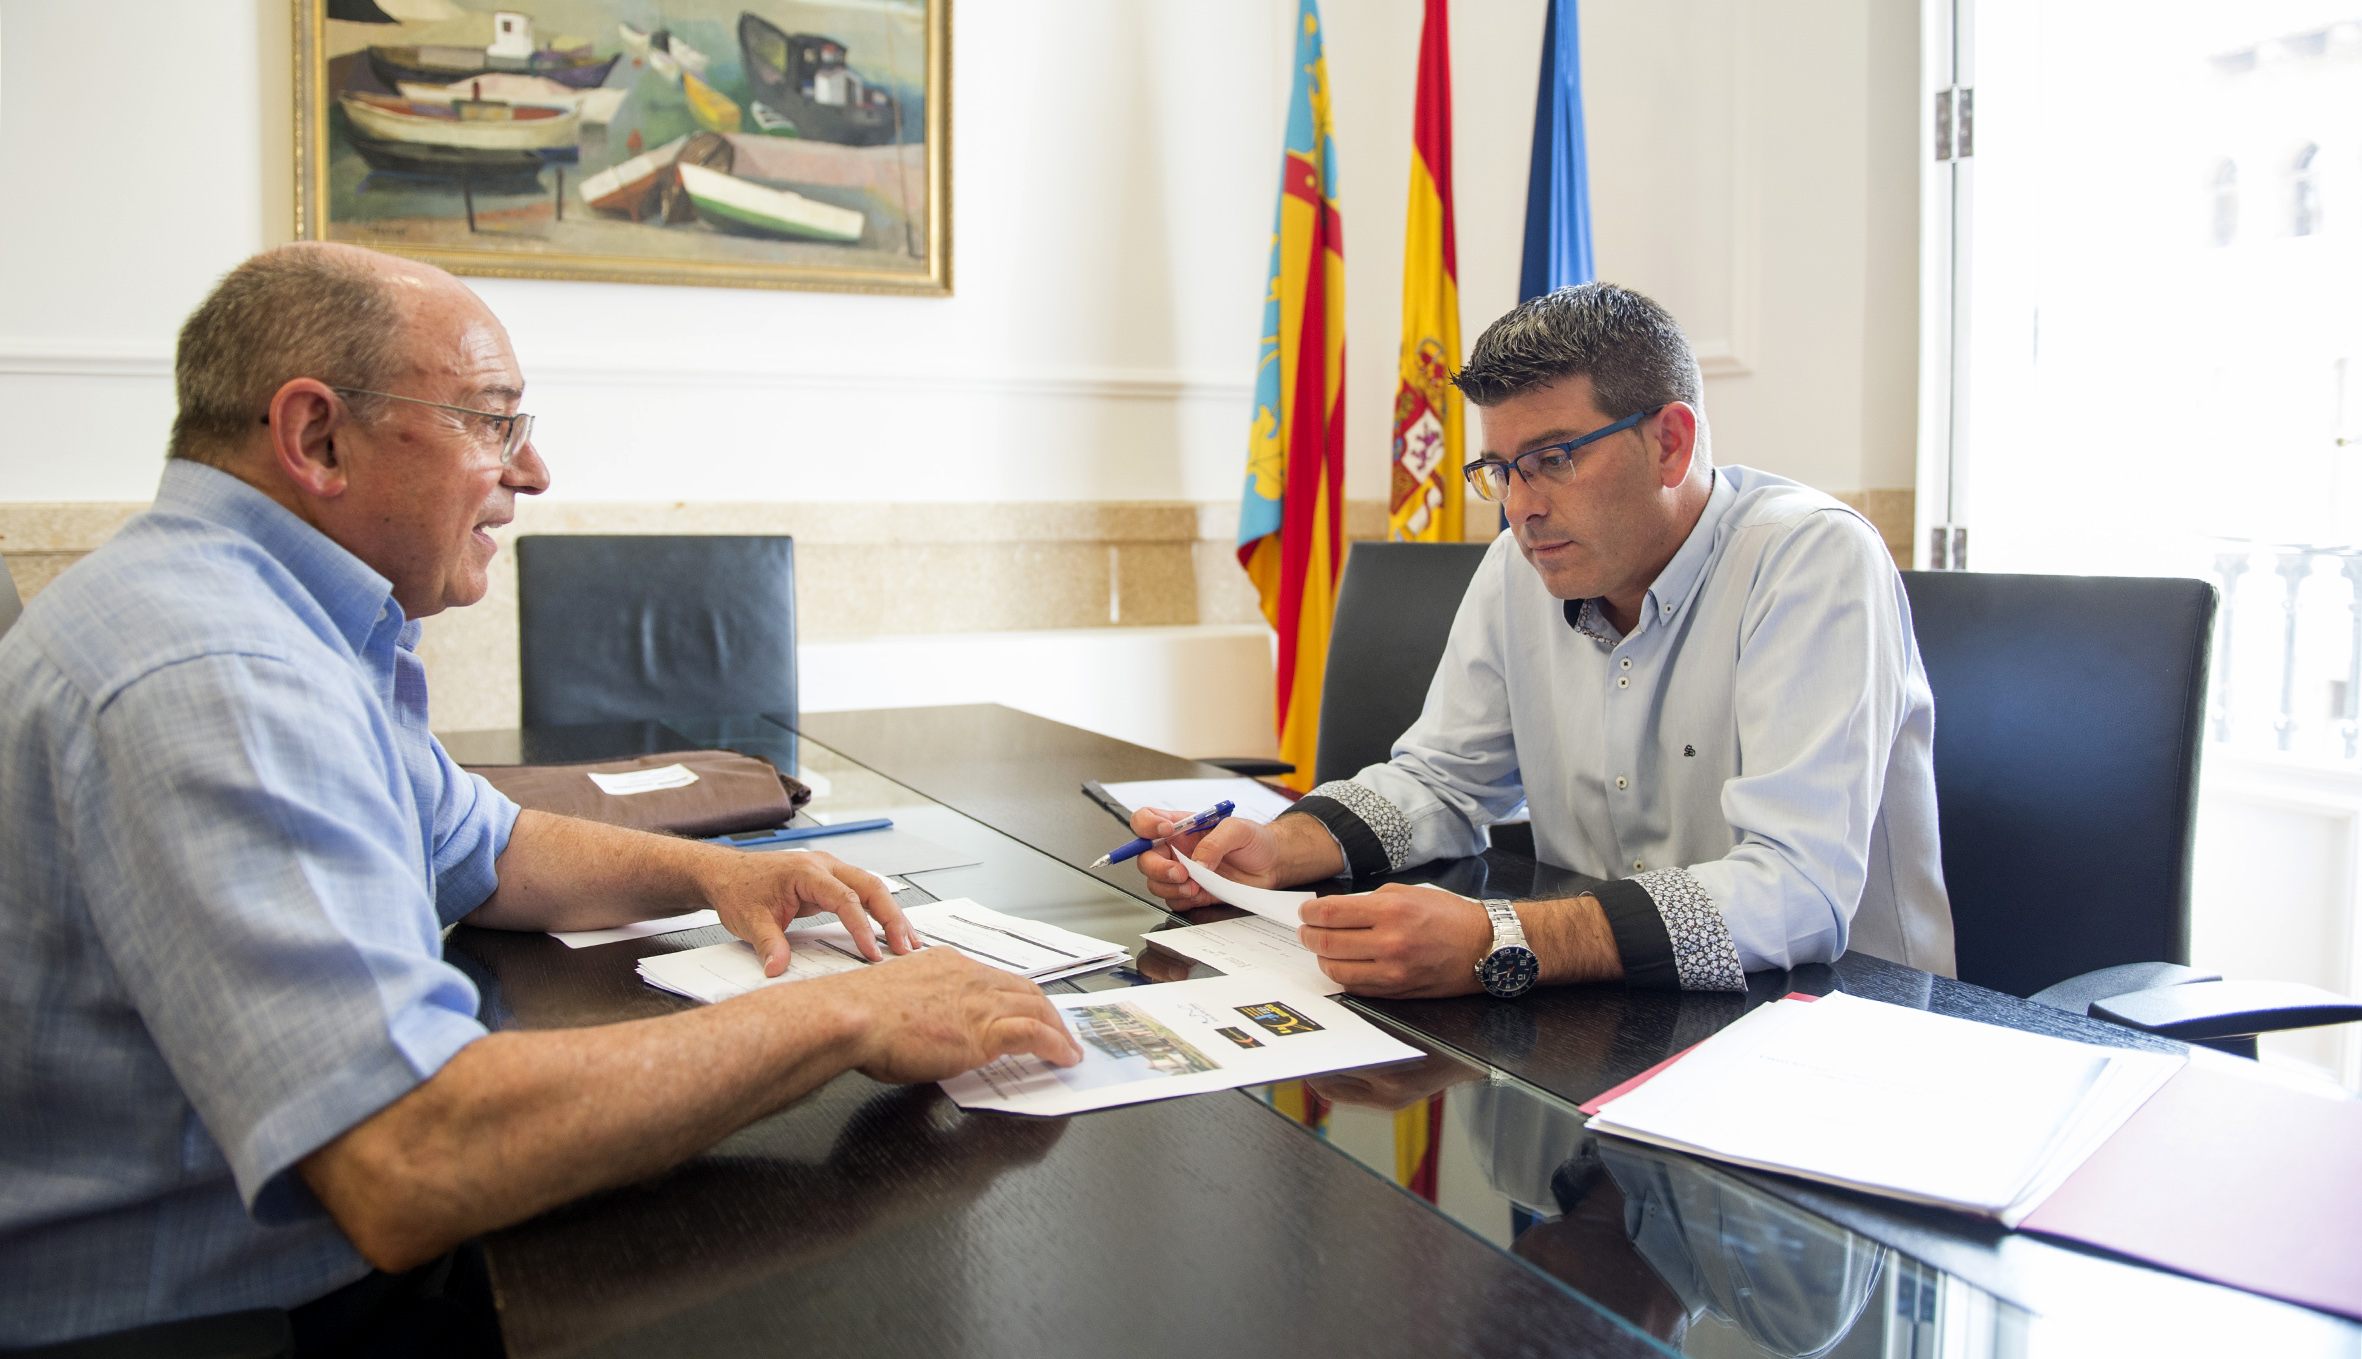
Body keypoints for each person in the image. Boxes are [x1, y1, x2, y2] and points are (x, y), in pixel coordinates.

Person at [0, 243, 1083, 1351]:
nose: (533, 472)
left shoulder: (246, 613)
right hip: (218, 1317)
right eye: (493, 422)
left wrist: (721, 871)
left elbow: (489, 845)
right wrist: (848, 1012)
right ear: (316, 437)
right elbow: (408, 1156)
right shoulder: (216, 675)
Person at [1133, 282, 1953, 997]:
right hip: (1621, 1005)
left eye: (1552, 458)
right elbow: (1444, 780)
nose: (1519, 506)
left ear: (1670, 441)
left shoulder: (1810, 559)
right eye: (1500, 468)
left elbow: (1798, 890)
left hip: (1838, 1035)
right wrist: (1279, 847)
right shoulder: (1520, 566)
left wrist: (1505, 939)